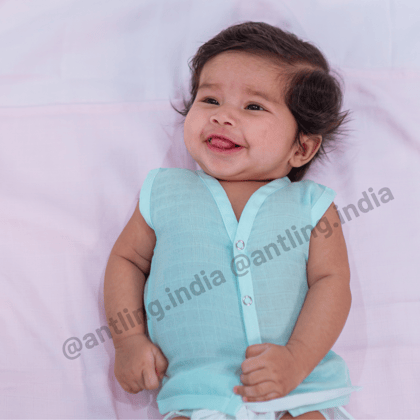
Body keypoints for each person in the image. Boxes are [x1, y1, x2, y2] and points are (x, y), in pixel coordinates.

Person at [104, 21, 362, 420]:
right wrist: (128, 341)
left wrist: (296, 360)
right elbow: (127, 261)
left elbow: (332, 283)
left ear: (301, 147)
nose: (223, 116)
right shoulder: (165, 191)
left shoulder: (310, 205)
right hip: (200, 392)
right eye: (210, 100)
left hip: (298, 391)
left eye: (253, 106)